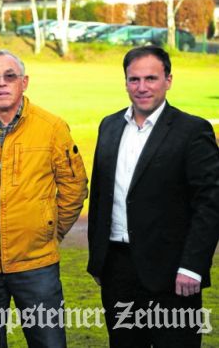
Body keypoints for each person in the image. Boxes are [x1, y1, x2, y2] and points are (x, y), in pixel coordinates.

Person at [0, 49, 88, 347]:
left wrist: (51, 230)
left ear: (24, 82)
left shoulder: (51, 128)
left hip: (36, 265)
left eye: (9, 76)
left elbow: (74, 186)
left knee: (48, 342)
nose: (1, 83)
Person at [87, 45, 219, 347]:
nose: (142, 87)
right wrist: (99, 260)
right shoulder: (109, 126)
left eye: (151, 78)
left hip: (173, 274)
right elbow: (101, 196)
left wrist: (192, 266)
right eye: (134, 79)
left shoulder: (192, 130)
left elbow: (210, 204)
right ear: (125, 83)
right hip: (118, 270)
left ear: (168, 80)